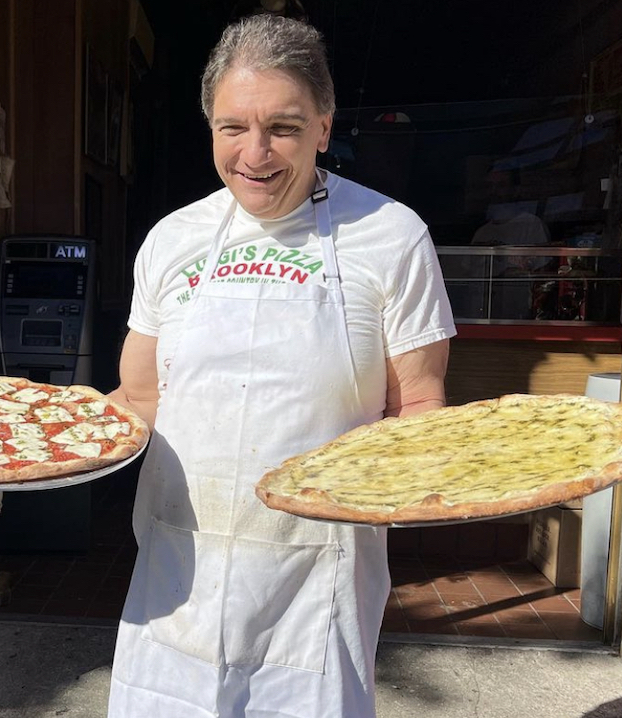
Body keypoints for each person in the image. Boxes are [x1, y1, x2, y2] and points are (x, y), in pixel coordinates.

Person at [106, 14, 455, 718]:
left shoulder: (391, 236)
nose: (255, 153)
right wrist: (25, 445)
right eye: (233, 127)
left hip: (317, 579)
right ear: (209, 126)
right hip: (179, 568)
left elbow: (418, 410)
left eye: (285, 128)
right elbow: (139, 397)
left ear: (324, 127)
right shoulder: (172, 240)